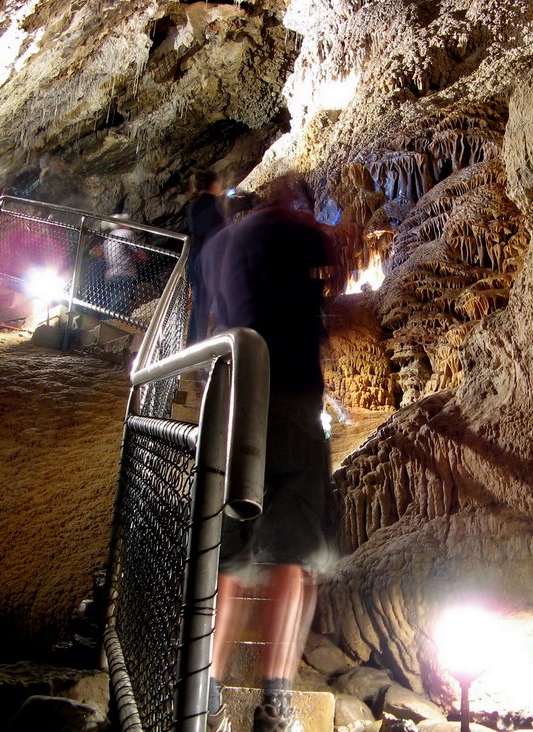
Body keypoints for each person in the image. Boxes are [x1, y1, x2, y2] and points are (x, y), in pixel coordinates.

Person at [201, 173, 337, 732]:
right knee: (294, 560)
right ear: (293, 202)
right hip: (292, 403)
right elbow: (334, 266)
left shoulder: (217, 247)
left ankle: (204, 687)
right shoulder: (293, 228)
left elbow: (210, 315)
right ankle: (276, 701)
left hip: (234, 404)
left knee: (229, 560)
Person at [185, 169, 224, 343]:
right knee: (205, 305)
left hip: (195, 259)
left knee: (199, 305)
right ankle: (197, 348)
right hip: (207, 260)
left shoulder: (194, 204)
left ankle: (193, 345)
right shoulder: (213, 205)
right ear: (214, 184)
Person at [103, 213, 141, 316]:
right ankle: (109, 327)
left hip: (110, 275)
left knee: (112, 304)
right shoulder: (127, 233)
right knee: (117, 307)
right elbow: (141, 255)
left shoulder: (108, 238)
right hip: (125, 274)